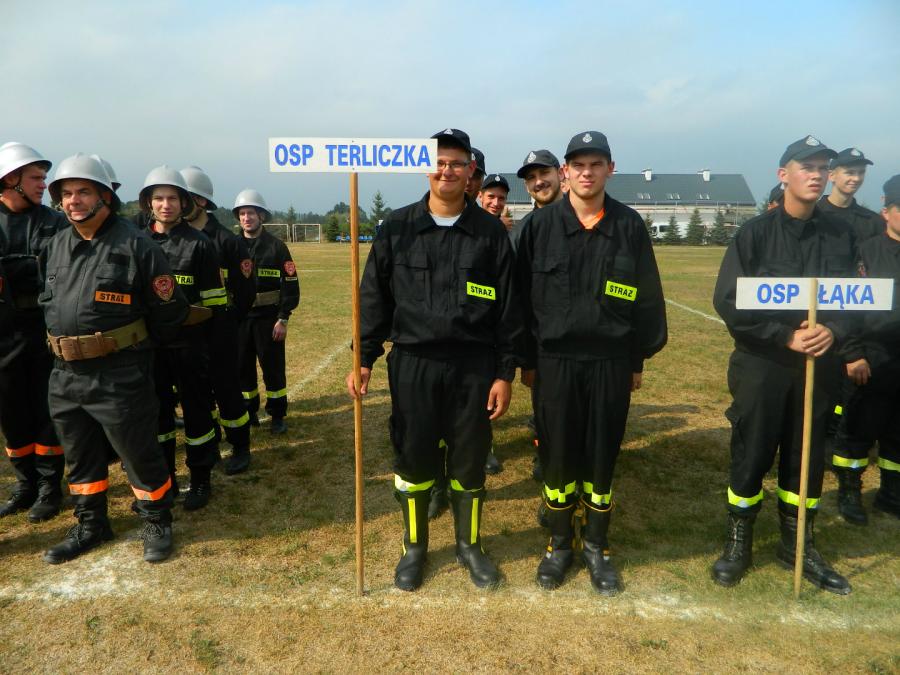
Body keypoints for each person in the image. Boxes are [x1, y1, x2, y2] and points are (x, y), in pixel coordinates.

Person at [346, 128, 524, 591]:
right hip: (413, 363)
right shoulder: (397, 227)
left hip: (473, 366)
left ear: (470, 171)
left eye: (456, 163)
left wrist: (504, 373)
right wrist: (364, 358)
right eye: (439, 163)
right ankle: (415, 548)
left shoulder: (490, 233)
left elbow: (509, 310)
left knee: (469, 461)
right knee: (413, 459)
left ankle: (470, 546)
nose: (447, 171)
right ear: (427, 169)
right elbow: (374, 298)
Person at [517, 131, 667, 595]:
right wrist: (526, 360)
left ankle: (597, 547)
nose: (587, 172)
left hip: (610, 362)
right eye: (578, 165)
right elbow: (520, 301)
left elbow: (646, 298)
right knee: (557, 455)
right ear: (566, 171)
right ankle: (560, 544)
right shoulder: (539, 227)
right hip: (555, 363)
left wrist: (636, 359)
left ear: (610, 169)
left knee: (602, 456)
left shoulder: (628, 226)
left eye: (596, 164)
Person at [711, 135, 856, 594]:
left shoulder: (842, 235)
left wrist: (834, 330)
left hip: (819, 366)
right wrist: (784, 335)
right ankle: (739, 541)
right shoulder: (754, 234)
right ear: (783, 175)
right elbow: (729, 300)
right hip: (763, 364)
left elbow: (858, 300)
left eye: (823, 168)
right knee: (752, 451)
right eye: (806, 167)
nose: (816, 175)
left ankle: (797, 544)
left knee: (806, 456)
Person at [40, 154, 188, 563]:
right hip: (65, 375)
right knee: (79, 455)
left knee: (138, 453)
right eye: (66, 193)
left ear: (105, 196)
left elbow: (169, 311)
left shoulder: (136, 245)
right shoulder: (55, 246)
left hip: (119, 373)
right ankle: (91, 524)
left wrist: (132, 353)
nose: (73, 200)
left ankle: (156, 520)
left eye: (84, 191)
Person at [140, 166, 225, 511]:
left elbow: (216, 304)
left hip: (191, 347)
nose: (166, 205)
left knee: (197, 415)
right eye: (159, 198)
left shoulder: (200, 244)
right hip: (151, 348)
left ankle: (201, 479)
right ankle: (167, 480)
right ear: (148, 203)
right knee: (157, 417)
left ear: (184, 203)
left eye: (172, 198)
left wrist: (213, 349)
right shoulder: (136, 242)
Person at [0, 142, 66, 522]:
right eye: (36, 178)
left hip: (44, 330)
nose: (44, 184)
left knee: (47, 411)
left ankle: (48, 487)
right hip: (3, 333)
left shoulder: (55, 223)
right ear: (11, 179)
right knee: (11, 412)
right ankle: (25, 484)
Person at [831, 175, 900, 523]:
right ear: (886, 212)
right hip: (872, 357)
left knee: (898, 432)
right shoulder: (867, 252)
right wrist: (853, 353)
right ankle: (849, 491)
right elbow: (847, 308)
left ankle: (891, 492)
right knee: (858, 429)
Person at [181, 166, 256, 474]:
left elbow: (246, 292)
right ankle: (209, 445)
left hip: (220, 333)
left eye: (184, 197)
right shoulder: (174, 239)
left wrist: (226, 324)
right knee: (196, 395)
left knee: (227, 391)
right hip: (186, 336)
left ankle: (240, 446)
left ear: (200, 201)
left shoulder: (227, 242)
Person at [236, 189, 299, 434]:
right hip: (240, 319)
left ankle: (277, 415)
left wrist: (283, 318)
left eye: (251, 213)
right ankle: (249, 411)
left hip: (269, 319)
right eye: (242, 214)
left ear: (261, 215)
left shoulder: (277, 247)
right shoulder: (231, 246)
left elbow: (291, 284)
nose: (246, 218)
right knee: (242, 368)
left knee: (273, 368)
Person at [820, 148, 882, 248]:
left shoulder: (873, 221)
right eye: (850, 172)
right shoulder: (815, 215)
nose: (856, 178)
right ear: (831, 176)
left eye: (861, 172)